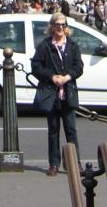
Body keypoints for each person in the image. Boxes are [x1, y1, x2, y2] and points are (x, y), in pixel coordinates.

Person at [31, 12, 83, 176]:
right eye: (57, 25)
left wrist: (67, 77)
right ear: (52, 27)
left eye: (63, 24)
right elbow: (36, 67)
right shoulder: (45, 46)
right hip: (52, 94)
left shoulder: (72, 45)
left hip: (68, 93)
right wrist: (52, 77)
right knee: (53, 130)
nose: (60, 27)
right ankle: (54, 163)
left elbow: (79, 67)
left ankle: (74, 162)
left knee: (71, 130)